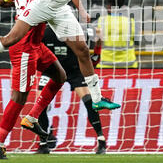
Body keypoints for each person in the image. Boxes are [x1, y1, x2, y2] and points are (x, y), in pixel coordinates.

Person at [0, 0, 67, 160]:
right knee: (19, 97)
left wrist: (16, 3)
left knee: (59, 76)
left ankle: (32, 117)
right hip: (23, 48)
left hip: (36, 45)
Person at [32, 24, 107, 154]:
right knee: (40, 103)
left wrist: (97, 52)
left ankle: (101, 140)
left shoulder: (75, 30)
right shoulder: (46, 32)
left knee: (89, 101)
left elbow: (99, 33)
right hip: (53, 70)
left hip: (74, 70)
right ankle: (44, 140)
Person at [97, 0, 138, 68]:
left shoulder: (102, 20)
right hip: (128, 64)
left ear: (110, 6)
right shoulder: (130, 21)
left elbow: (98, 41)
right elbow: (135, 39)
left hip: (106, 64)